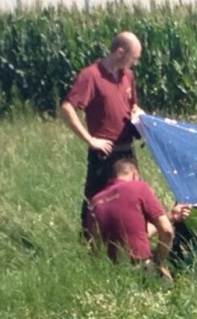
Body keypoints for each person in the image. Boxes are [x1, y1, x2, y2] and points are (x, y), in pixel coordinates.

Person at [61, 31, 143, 237]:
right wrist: (90, 140)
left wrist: (139, 114)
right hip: (104, 153)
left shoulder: (128, 77)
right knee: (97, 201)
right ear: (119, 51)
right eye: (133, 57)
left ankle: (126, 242)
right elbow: (67, 107)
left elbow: (133, 106)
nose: (135, 63)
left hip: (127, 151)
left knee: (132, 199)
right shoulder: (91, 76)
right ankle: (89, 244)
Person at [85, 158, 191, 283]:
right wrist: (158, 262)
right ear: (135, 174)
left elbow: (97, 245)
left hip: (108, 275)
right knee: (170, 289)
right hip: (139, 267)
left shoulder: (95, 201)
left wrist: (171, 215)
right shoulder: (138, 187)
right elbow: (167, 231)